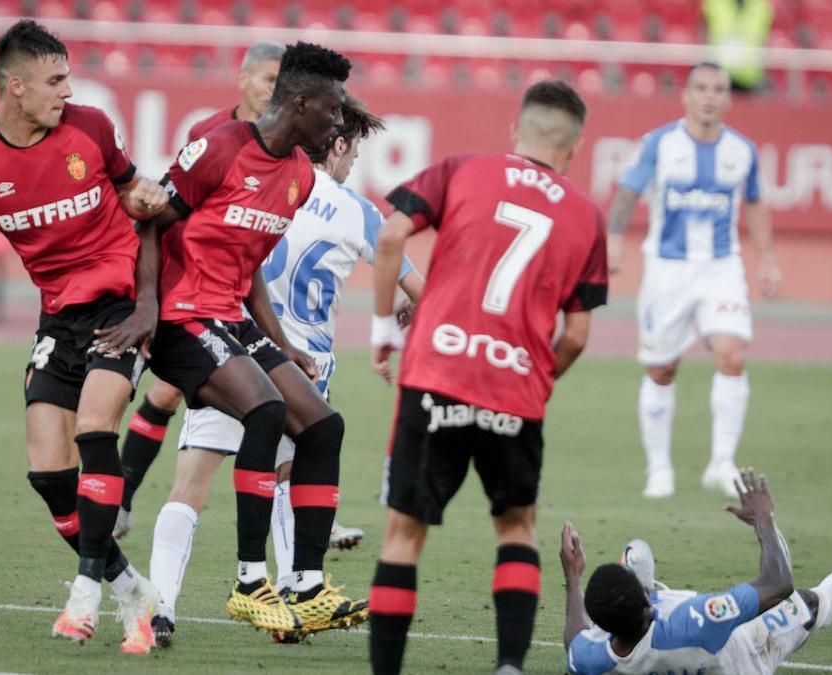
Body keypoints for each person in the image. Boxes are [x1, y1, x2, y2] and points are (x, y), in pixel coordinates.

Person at [103, 41, 367, 639]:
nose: (337, 125)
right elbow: (150, 221)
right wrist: (147, 308)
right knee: (267, 411)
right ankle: (250, 582)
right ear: (300, 101)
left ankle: (306, 585)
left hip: (231, 317)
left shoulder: (298, 175)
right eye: (331, 111)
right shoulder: (219, 148)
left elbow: (248, 269)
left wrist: (282, 345)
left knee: (323, 425)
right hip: (181, 318)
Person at [146, 95, 424, 647]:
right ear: (338, 144)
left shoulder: (270, 174)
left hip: (226, 340)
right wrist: (404, 316)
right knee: (286, 481)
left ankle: (161, 611)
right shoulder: (355, 209)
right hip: (284, 354)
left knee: (192, 482)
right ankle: (287, 588)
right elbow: (418, 289)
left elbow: (233, 255)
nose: (350, 166)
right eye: (352, 153)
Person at [0, 20, 168, 654]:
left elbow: (135, 197)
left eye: (68, 77)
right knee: (46, 473)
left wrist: (145, 201)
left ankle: (86, 588)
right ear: (16, 87)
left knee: (94, 427)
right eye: (54, 80)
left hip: (120, 304)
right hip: (58, 317)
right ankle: (131, 588)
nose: (68, 89)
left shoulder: (90, 127)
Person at [367, 79, 609, 675]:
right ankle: (508, 665)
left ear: (515, 132)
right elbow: (576, 334)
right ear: (574, 148)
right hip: (515, 390)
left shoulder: (464, 169)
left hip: (436, 374)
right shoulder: (586, 216)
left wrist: (381, 327)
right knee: (516, 528)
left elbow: (392, 232)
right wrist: (535, 379)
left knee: (403, 536)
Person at [115, 41, 286, 535]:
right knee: (167, 391)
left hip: (237, 280)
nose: (274, 89)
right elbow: (172, 211)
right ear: (243, 77)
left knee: (181, 394)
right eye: (267, 78)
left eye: (282, 80)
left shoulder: (287, 142)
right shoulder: (209, 133)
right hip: (189, 283)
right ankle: (122, 495)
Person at [608, 61, 781, 500]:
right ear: (685, 95)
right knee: (662, 368)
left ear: (727, 97)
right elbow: (628, 191)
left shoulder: (742, 151)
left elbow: (756, 203)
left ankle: (721, 464)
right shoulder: (660, 144)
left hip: (722, 268)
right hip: (667, 270)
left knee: (732, 355)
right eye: (700, 88)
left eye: (718, 89)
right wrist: (613, 238)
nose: (709, 96)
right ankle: (659, 469)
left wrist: (768, 259)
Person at [559, 469, 832, 674]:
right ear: (648, 603)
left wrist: (573, 577)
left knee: (637, 560)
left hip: (674, 656)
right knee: (807, 604)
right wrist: (764, 522)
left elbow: (574, 642)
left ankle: (643, 582)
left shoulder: (597, 654)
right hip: (745, 653)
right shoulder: (691, 622)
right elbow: (778, 584)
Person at [702, 0, 773, 93]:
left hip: (751, 77)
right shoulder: (713, 4)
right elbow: (702, 37)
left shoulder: (762, 7)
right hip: (718, 75)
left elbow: (768, 40)